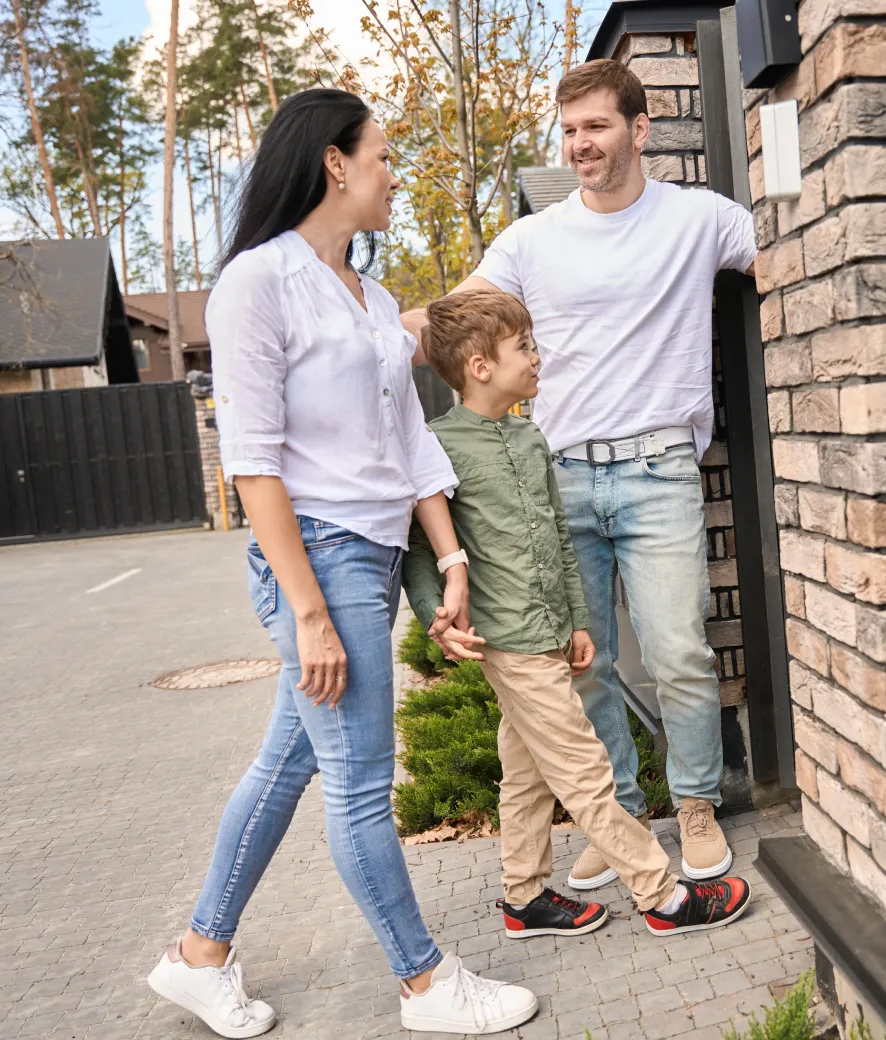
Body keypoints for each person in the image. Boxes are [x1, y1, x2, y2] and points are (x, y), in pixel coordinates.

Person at [145, 88, 538, 1039]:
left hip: (369, 558)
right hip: (317, 561)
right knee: (361, 783)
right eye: (384, 156)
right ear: (334, 163)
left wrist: (450, 562)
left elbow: (407, 444)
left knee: (285, 766)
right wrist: (308, 610)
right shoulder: (257, 283)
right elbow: (253, 463)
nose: (394, 173)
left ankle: (199, 956)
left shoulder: (365, 299)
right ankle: (427, 983)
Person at [404, 59, 759, 889]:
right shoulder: (533, 239)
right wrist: (369, 327)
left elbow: (782, 261)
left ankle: (697, 803)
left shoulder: (700, 219)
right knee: (582, 662)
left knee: (677, 650)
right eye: (568, 131)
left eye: (596, 127)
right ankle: (621, 816)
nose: (580, 145)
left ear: (639, 130)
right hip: (558, 477)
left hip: (660, 466)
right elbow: (452, 321)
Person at [401, 291, 754, 941]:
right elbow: (421, 548)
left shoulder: (531, 439)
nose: (538, 356)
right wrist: (435, 616)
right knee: (586, 770)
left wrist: (578, 622)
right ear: (480, 365)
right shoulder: (437, 446)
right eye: (524, 346)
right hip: (504, 638)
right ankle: (661, 894)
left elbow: (559, 542)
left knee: (528, 772)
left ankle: (523, 898)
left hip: (546, 633)